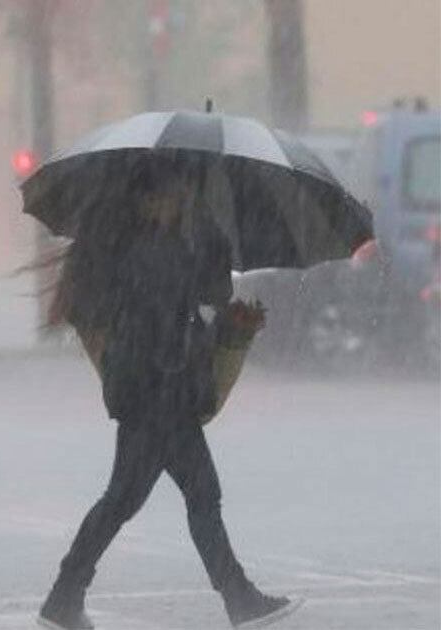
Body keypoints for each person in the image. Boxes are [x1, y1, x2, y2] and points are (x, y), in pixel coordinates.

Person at [37, 161, 302, 630]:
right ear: (150, 200)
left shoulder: (144, 247)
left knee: (131, 499)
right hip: (159, 393)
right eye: (174, 195)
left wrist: (203, 240)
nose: (178, 202)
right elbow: (203, 293)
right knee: (188, 498)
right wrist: (210, 239)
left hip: (153, 391)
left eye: (182, 194)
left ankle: (65, 596)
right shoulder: (156, 251)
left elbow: (194, 303)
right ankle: (239, 600)